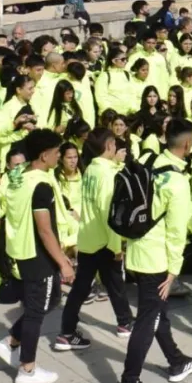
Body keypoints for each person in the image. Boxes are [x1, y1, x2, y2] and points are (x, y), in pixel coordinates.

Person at [115, 119, 192, 383]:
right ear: (188, 145)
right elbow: (177, 232)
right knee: (147, 319)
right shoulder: (177, 183)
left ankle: (176, 361)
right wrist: (174, 271)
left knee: (156, 312)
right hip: (156, 261)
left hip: (138, 249)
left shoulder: (149, 160)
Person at [0, 129, 69, 383]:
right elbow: (45, 230)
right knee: (37, 310)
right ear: (45, 155)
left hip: (21, 250)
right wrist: (63, 262)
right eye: (57, 152)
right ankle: (27, 369)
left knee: (50, 300)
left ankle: (11, 341)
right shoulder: (41, 185)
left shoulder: (18, 176)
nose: (59, 157)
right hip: (38, 255)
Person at [54, 129, 135, 352]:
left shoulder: (91, 168)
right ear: (109, 146)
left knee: (84, 287)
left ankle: (67, 331)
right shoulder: (105, 174)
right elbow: (109, 212)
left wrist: (117, 165)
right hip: (104, 241)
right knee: (114, 282)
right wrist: (116, 246)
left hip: (88, 238)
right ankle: (125, 323)